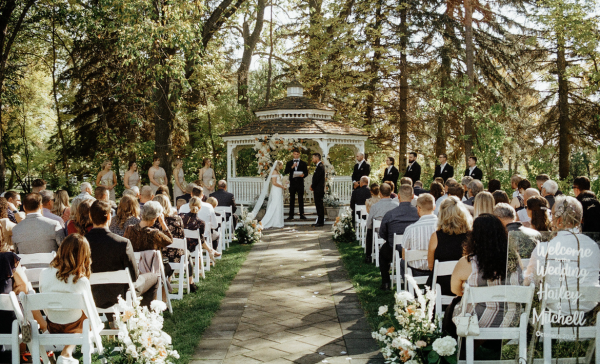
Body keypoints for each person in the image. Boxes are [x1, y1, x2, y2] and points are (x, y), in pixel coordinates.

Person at [446, 214, 523, 341]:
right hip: (512, 321)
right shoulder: (515, 260)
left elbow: (455, 290)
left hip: (478, 323)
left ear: (474, 237)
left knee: (453, 305)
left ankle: (454, 349)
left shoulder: (468, 262)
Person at [525, 196, 600, 313]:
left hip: (556, 315)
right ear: (579, 219)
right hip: (590, 315)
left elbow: (529, 283)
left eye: (552, 215)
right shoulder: (593, 246)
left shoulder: (544, 249)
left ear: (559, 220)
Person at [86, 200, 159, 309]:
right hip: (120, 296)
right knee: (154, 277)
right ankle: (145, 317)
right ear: (109, 217)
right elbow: (134, 276)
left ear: (90, 217)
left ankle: (114, 320)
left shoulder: (81, 242)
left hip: (91, 293)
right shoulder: (122, 243)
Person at [39, 234, 99, 364]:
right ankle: (66, 353)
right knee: (85, 318)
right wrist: (98, 324)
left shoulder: (44, 274)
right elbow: (91, 311)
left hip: (53, 325)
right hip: (74, 326)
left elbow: (44, 306)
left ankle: (67, 353)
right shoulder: (81, 281)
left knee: (76, 316)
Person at [0, 251, 46, 362]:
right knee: (25, 297)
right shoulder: (7, 258)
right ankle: (24, 354)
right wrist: (13, 292)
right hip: (9, 323)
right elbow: (23, 285)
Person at [427, 196, 472, 295]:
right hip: (464, 286)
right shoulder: (471, 236)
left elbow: (431, 265)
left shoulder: (436, 236)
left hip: (441, 286)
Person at [378, 185, 419, 290]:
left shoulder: (390, 214)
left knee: (382, 254)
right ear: (413, 196)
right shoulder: (418, 213)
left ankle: (385, 282)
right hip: (414, 248)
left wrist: (390, 239)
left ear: (399, 196)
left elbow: (382, 233)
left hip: (394, 249)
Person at [401, 194, 438, 278]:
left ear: (418, 208)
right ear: (434, 207)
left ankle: (409, 288)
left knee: (402, 263)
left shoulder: (410, 229)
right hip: (438, 270)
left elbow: (404, 255)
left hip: (416, 271)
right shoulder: (443, 227)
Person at [365, 183, 398, 263]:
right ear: (390, 192)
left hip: (379, 232)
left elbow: (369, 224)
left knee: (369, 230)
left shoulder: (375, 206)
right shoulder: (397, 205)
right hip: (393, 233)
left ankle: (368, 255)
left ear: (380, 193)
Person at [181, 197, 220, 263]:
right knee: (199, 242)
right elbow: (202, 240)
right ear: (200, 207)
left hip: (181, 243)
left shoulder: (181, 216)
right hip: (193, 245)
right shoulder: (200, 222)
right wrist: (209, 249)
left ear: (189, 206)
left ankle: (211, 251)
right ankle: (211, 251)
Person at [284, 149, 308, 220]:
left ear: (299, 154)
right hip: (292, 184)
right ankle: (291, 215)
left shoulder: (303, 163)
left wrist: (303, 175)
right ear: (293, 154)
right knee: (292, 199)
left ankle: (302, 215)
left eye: (297, 154)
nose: (296, 155)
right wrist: (292, 167)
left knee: (301, 199)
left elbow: (306, 172)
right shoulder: (289, 163)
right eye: (295, 154)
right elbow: (285, 171)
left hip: (300, 183)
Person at [260, 161, 285, 230]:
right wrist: (282, 186)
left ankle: (277, 222)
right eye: (281, 165)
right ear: (278, 165)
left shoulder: (277, 172)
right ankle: (269, 221)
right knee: (275, 204)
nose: (282, 166)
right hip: (276, 190)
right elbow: (274, 183)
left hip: (278, 190)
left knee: (278, 205)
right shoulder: (274, 171)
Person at [311, 153, 326, 227]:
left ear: (317, 158)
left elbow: (317, 179)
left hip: (319, 189)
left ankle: (320, 221)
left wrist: (312, 186)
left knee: (319, 205)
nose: (312, 159)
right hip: (317, 189)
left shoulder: (320, 167)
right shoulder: (319, 166)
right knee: (318, 205)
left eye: (313, 158)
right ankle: (319, 220)